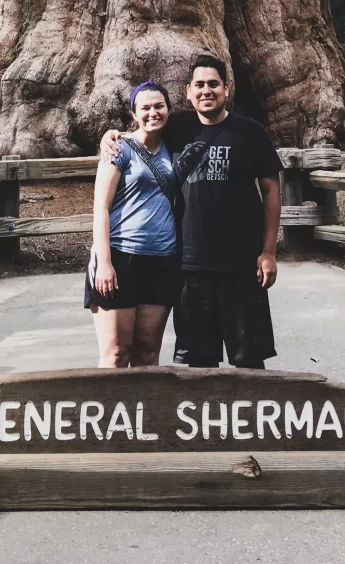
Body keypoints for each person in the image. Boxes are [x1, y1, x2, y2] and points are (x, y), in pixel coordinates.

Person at [101, 54, 282, 370]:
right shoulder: (177, 128)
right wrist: (111, 136)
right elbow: (142, 132)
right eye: (199, 85)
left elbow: (271, 192)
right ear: (187, 91)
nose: (206, 91)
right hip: (188, 268)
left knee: (249, 362)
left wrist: (268, 252)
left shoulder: (250, 132)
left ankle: (252, 419)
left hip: (242, 266)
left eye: (214, 84)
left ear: (227, 88)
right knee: (199, 366)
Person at [85, 81, 180, 368]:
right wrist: (104, 263)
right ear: (134, 114)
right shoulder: (119, 148)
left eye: (159, 106)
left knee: (148, 352)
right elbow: (101, 207)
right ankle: (109, 413)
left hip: (162, 259)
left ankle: (146, 413)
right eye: (146, 107)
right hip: (120, 256)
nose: (153, 112)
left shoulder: (174, 148)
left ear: (168, 110)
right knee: (116, 354)